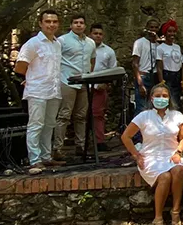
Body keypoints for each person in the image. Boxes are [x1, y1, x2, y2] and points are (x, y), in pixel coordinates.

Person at [121, 83, 183, 225]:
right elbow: (126, 136)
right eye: (157, 96)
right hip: (150, 157)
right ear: (151, 98)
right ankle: (157, 219)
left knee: (178, 169)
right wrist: (135, 155)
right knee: (164, 177)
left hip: (172, 154)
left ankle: (175, 212)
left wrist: (179, 151)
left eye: (164, 96)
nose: (161, 99)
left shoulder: (177, 116)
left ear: (169, 98)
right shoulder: (144, 116)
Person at [15, 9, 65, 174]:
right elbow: (20, 66)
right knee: (36, 124)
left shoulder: (57, 44)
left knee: (49, 124)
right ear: (40, 24)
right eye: (48, 21)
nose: (51, 24)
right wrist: (32, 79)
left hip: (53, 90)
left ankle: (46, 156)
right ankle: (35, 160)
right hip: (37, 90)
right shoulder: (33, 43)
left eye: (54, 21)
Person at [54, 13, 96, 158]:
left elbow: (92, 60)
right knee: (64, 115)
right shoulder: (62, 41)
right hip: (67, 81)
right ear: (71, 25)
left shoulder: (90, 42)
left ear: (85, 25)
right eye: (76, 22)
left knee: (81, 116)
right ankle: (57, 148)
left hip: (84, 82)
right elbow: (54, 59)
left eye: (81, 23)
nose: (79, 25)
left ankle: (81, 146)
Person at [90, 23, 117, 152]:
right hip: (82, 86)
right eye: (95, 33)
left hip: (99, 87)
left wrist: (106, 84)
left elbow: (113, 70)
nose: (98, 36)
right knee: (80, 115)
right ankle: (81, 143)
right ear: (90, 34)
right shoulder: (84, 48)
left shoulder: (108, 51)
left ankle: (99, 141)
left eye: (100, 34)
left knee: (98, 115)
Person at [132, 17, 161, 114]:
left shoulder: (159, 44)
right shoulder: (139, 42)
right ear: (147, 28)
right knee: (142, 108)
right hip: (143, 76)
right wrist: (140, 83)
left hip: (154, 76)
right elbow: (135, 63)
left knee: (153, 107)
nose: (153, 30)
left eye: (156, 27)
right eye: (151, 27)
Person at [155, 20, 183, 107]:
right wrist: (161, 81)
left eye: (174, 31)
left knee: (177, 100)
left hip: (177, 75)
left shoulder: (177, 47)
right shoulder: (160, 48)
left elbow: (180, 64)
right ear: (165, 33)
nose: (172, 34)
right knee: (168, 100)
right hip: (167, 75)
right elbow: (159, 66)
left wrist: (182, 80)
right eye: (169, 31)